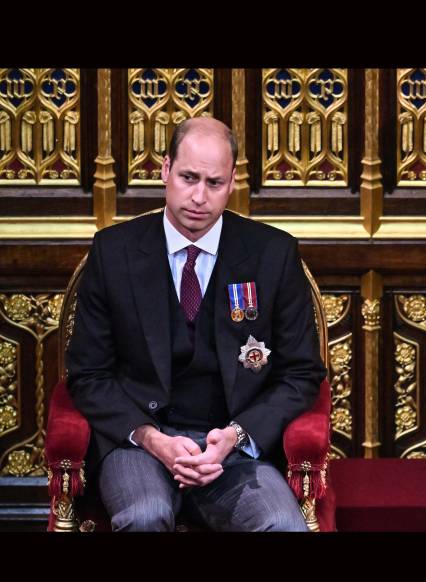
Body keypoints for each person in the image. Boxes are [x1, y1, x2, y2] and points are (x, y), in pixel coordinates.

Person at [66, 116, 326, 531]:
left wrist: (236, 436)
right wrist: (153, 439)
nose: (199, 196)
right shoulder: (114, 253)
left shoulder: (272, 254)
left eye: (214, 182)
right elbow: (87, 375)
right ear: (165, 170)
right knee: (144, 517)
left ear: (232, 183)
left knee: (281, 524)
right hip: (140, 445)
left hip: (232, 450)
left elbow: (301, 374)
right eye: (188, 177)